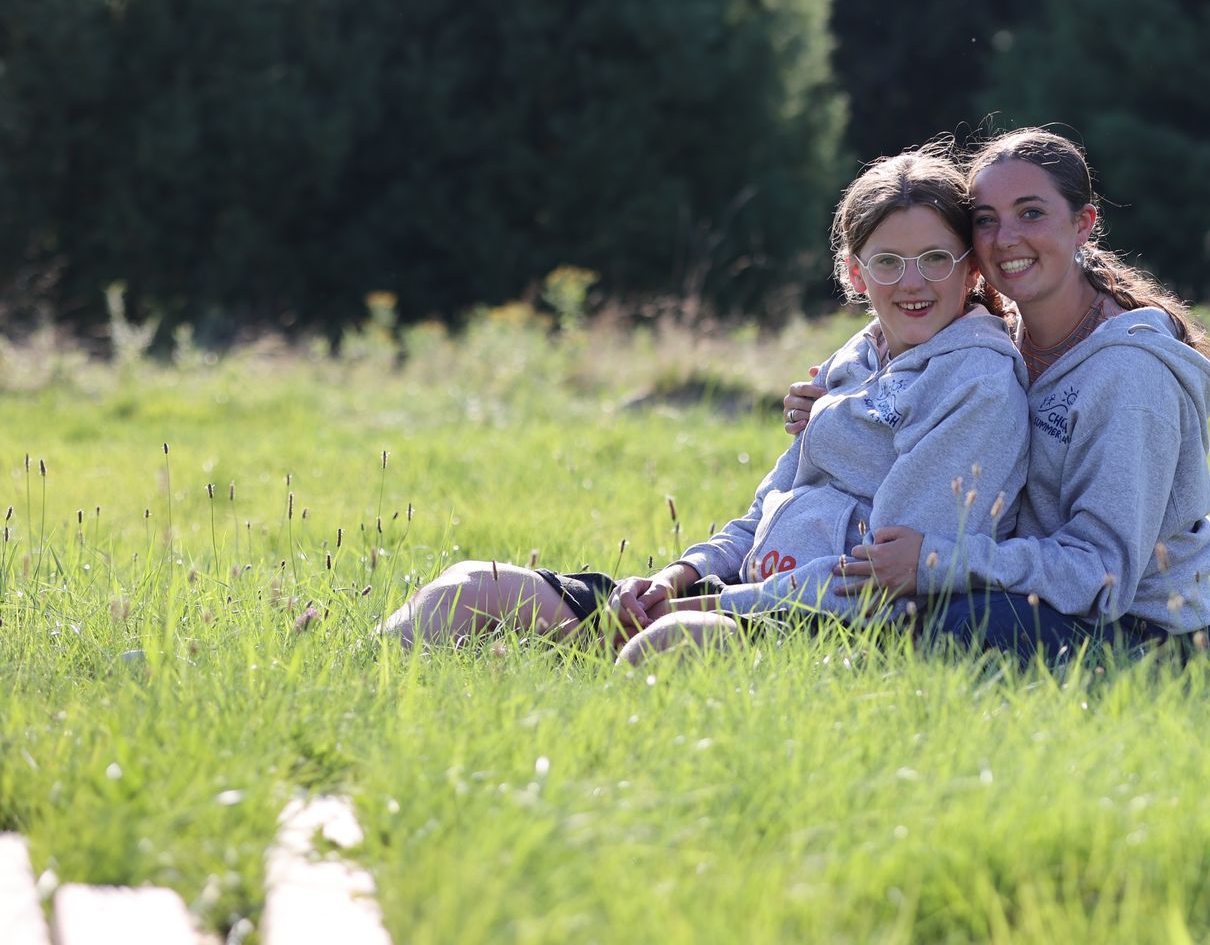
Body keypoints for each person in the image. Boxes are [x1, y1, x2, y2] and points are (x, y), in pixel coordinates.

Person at [380, 147, 1029, 661]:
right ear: (854, 274)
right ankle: (356, 690)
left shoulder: (977, 381)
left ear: (971, 270)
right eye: (887, 261)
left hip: (833, 627)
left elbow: (880, 575)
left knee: (660, 647)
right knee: (471, 585)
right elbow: (764, 510)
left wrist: (716, 607)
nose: (911, 282)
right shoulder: (853, 361)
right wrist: (676, 578)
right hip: (738, 595)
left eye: (935, 259)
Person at [786, 128, 1210, 664]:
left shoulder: (1131, 376)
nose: (1005, 238)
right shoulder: (995, 341)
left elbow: (1102, 571)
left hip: (1141, 635)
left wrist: (938, 563)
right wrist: (835, 411)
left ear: (1083, 224)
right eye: (987, 220)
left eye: (1031, 213)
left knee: (951, 626)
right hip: (1023, 597)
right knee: (913, 620)